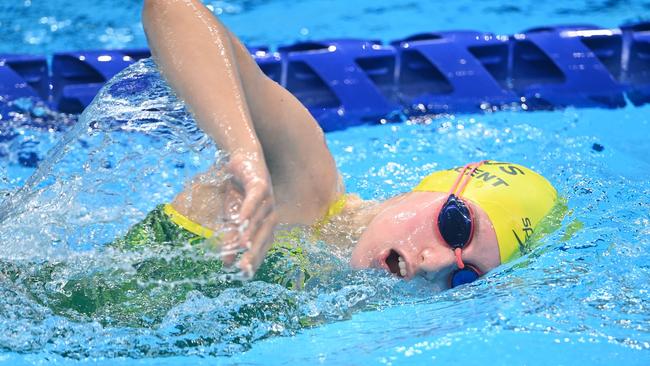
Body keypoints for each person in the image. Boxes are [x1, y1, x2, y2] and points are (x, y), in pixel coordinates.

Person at [138, 0, 559, 289]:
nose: (435, 264)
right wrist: (244, 150)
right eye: (455, 226)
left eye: (464, 277)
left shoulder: (344, 295)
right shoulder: (304, 182)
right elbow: (171, 10)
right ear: (438, 185)